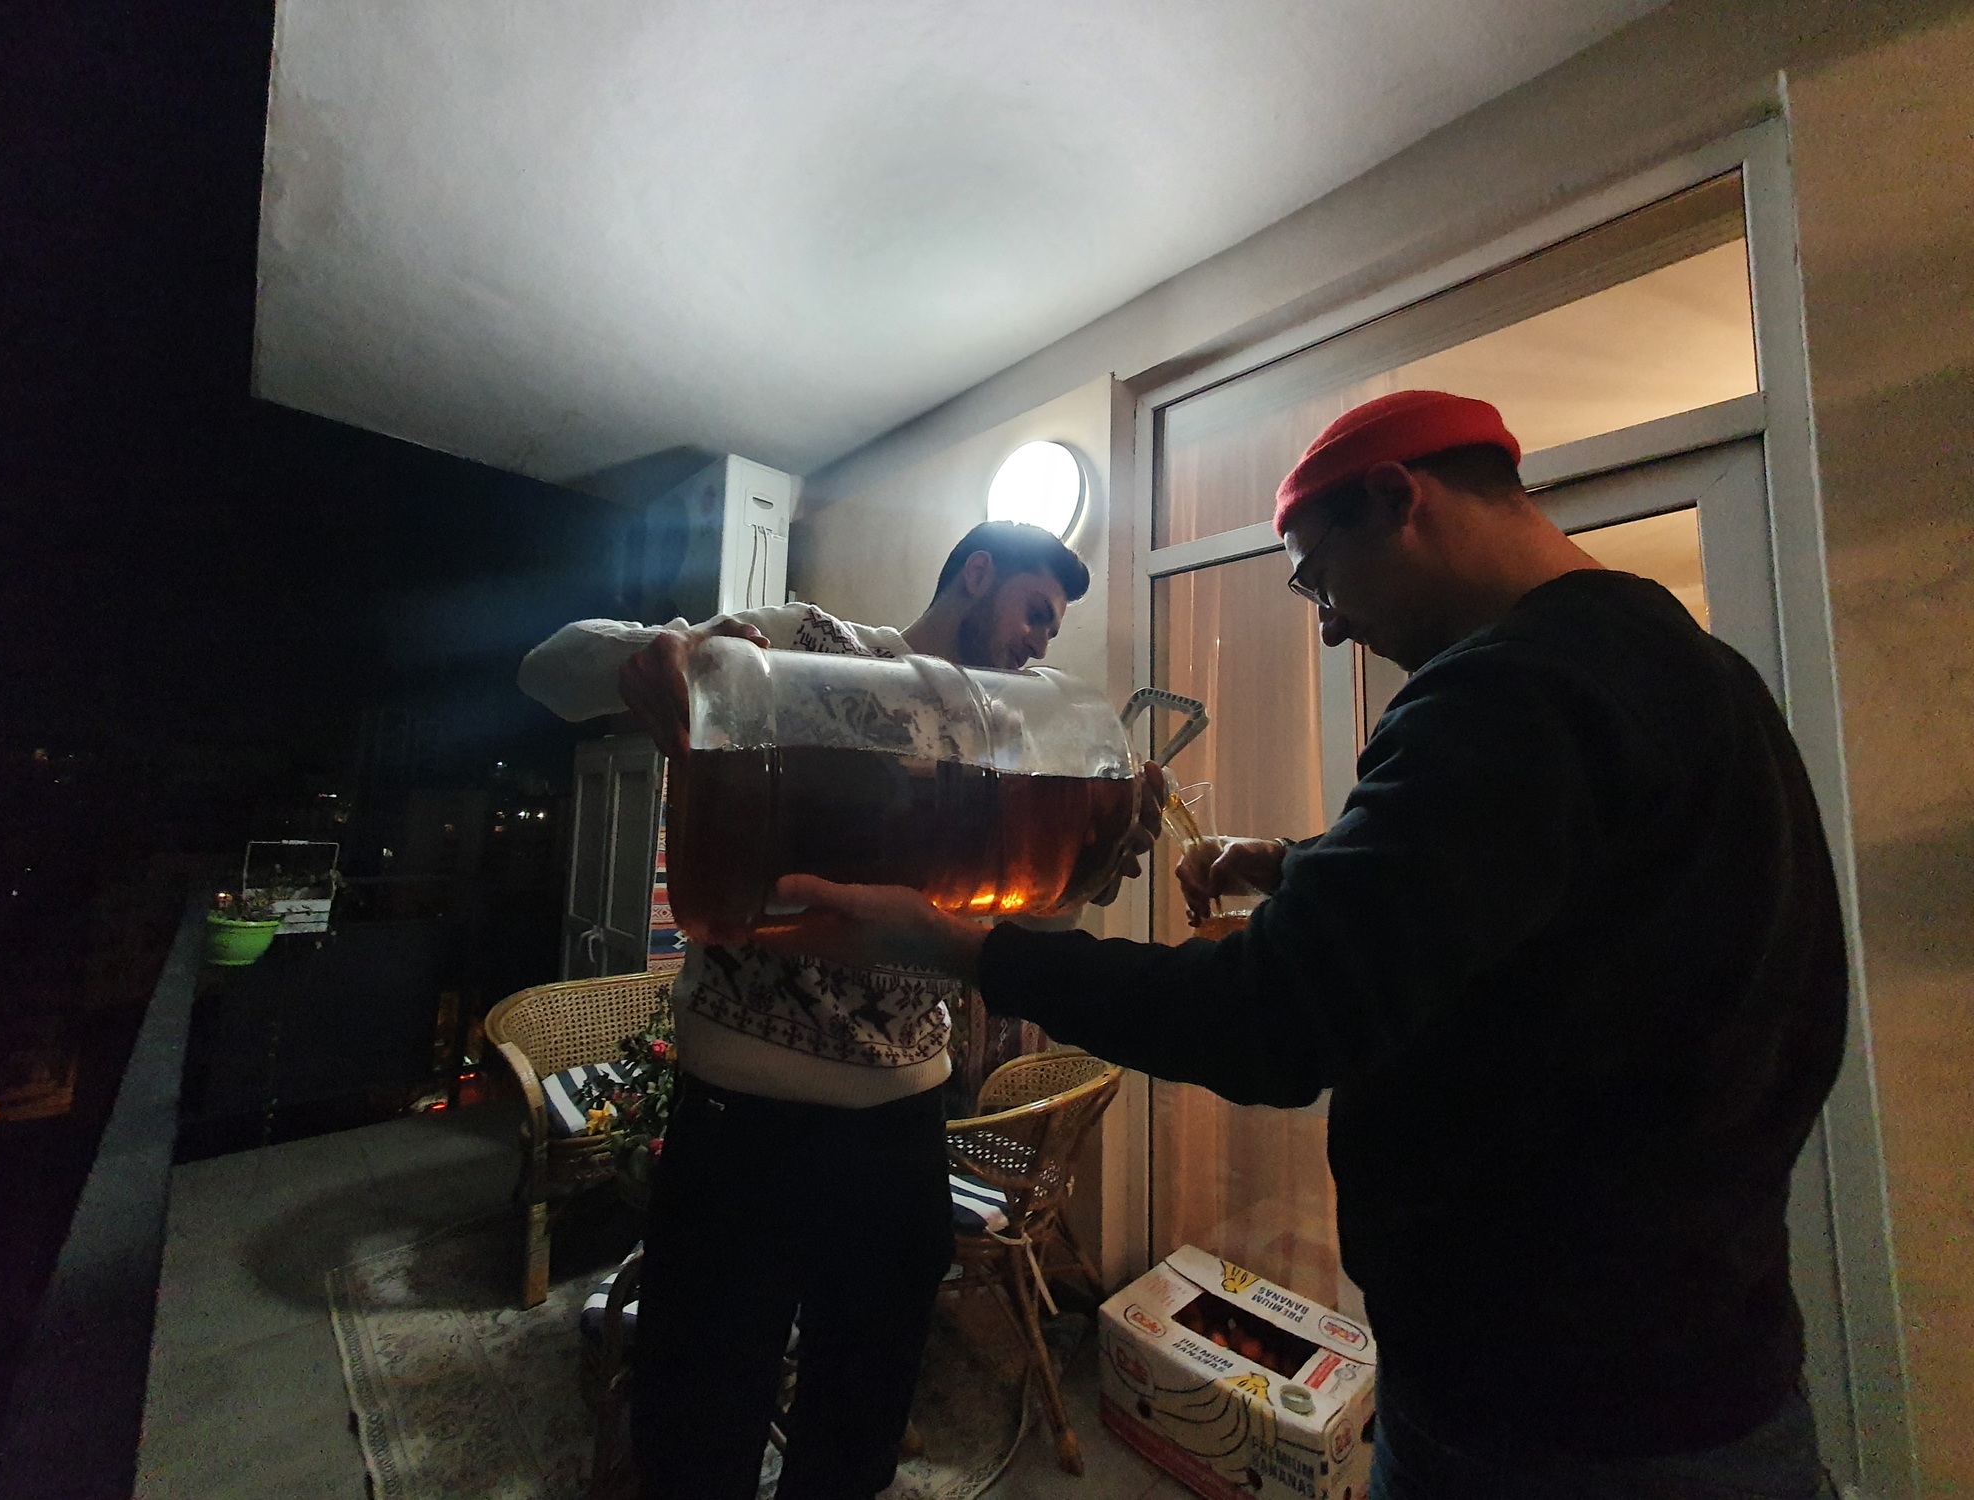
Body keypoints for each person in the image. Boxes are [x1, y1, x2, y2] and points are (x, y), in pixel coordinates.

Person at [754, 391, 1849, 1500]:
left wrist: (965, 947)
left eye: (1318, 580)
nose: (1326, 625)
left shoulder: (1507, 689)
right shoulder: (1705, 680)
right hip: (1721, 1367)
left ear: (1397, 498)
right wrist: (1296, 864)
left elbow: (1268, 1017)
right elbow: (1540, 897)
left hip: (1547, 1417)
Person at [518, 519, 1145, 1500]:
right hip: (741, 1129)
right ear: (977, 574)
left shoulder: (1005, 729)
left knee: (857, 1436)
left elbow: (1030, 916)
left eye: (1051, 630)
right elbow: (547, 671)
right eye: (1035, 612)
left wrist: (1095, 865)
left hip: (902, 1135)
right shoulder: (811, 648)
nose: (1038, 641)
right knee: (694, 1433)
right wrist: (659, 656)